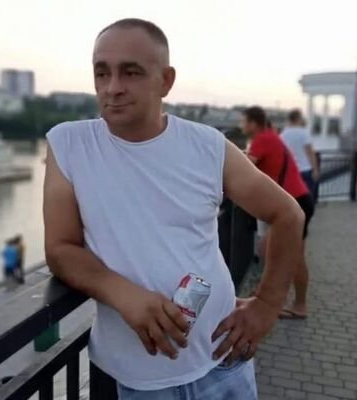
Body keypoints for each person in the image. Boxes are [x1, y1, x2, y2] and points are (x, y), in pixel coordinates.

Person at [43, 19, 304, 400]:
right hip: (138, 379)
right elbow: (60, 248)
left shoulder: (208, 146)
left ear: (165, 81)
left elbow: (288, 215)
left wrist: (266, 306)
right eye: (102, 72)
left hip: (225, 362)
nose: (112, 87)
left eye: (131, 72)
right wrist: (123, 294)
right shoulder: (69, 144)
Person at [241, 106, 314, 320]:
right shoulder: (270, 136)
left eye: (243, 121)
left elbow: (244, 168)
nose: (241, 126)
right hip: (295, 201)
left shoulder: (262, 139)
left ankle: (298, 305)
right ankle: (271, 296)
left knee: (293, 257)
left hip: (295, 203)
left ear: (253, 123)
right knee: (269, 249)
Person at [281, 109, 319, 199]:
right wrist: (315, 170)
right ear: (298, 118)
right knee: (307, 198)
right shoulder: (304, 133)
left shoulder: (283, 134)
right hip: (305, 170)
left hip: (290, 171)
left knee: (292, 197)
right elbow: (310, 153)